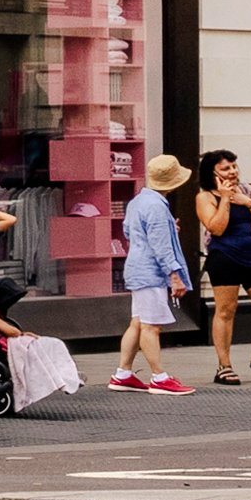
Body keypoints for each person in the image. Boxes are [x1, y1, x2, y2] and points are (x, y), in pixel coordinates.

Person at [193, 149, 251, 384]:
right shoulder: (205, 197)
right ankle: (224, 366)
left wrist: (248, 202)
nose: (232, 172)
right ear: (212, 172)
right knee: (225, 311)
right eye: (225, 168)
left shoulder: (247, 190)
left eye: (234, 167)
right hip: (224, 258)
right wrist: (225, 198)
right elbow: (216, 228)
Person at [112, 154, 193, 394]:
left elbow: (129, 231)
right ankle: (159, 377)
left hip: (136, 267)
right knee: (150, 326)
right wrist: (174, 274)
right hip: (151, 272)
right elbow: (161, 245)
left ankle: (123, 373)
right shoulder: (157, 206)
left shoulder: (138, 201)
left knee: (137, 323)